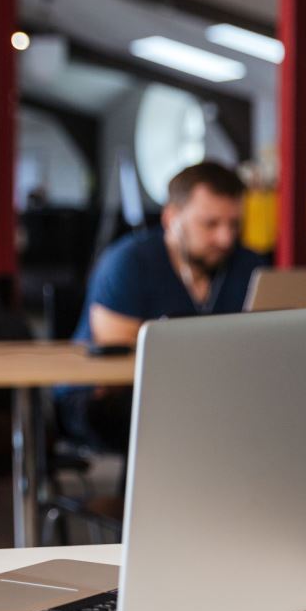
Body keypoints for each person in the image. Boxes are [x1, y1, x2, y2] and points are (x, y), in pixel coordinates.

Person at [60, 161, 264, 452]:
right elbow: (121, 365)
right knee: (165, 411)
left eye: (234, 225)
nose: (225, 238)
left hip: (209, 390)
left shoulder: (249, 266)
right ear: (171, 218)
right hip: (103, 397)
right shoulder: (128, 262)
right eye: (210, 224)